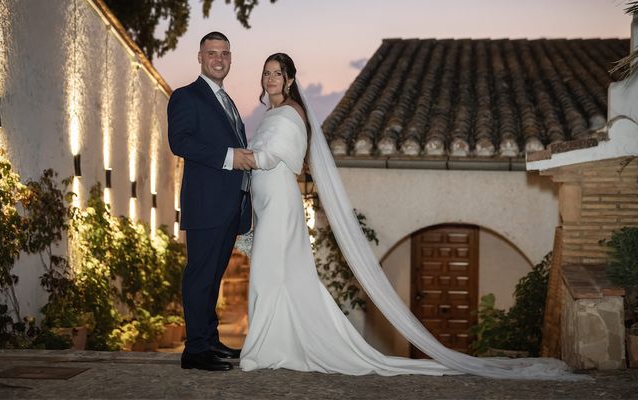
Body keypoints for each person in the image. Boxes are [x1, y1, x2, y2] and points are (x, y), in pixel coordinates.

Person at [239, 53, 583, 380]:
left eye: (277, 73)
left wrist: (231, 157)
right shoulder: (273, 114)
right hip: (268, 206)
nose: (270, 79)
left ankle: (262, 350)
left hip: (282, 205)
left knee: (268, 275)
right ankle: (276, 346)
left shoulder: (291, 114)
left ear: (290, 79)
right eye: (266, 73)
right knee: (281, 278)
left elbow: (273, 157)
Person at [168, 31, 254, 372]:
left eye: (224, 53)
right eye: (212, 53)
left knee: (212, 278)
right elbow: (180, 142)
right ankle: (195, 350)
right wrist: (231, 157)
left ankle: (210, 339)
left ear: (230, 59)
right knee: (199, 277)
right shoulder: (186, 97)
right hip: (205, 205)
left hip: (229, 207)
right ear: (200, 58)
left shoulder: (228, 102)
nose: (218, 58)